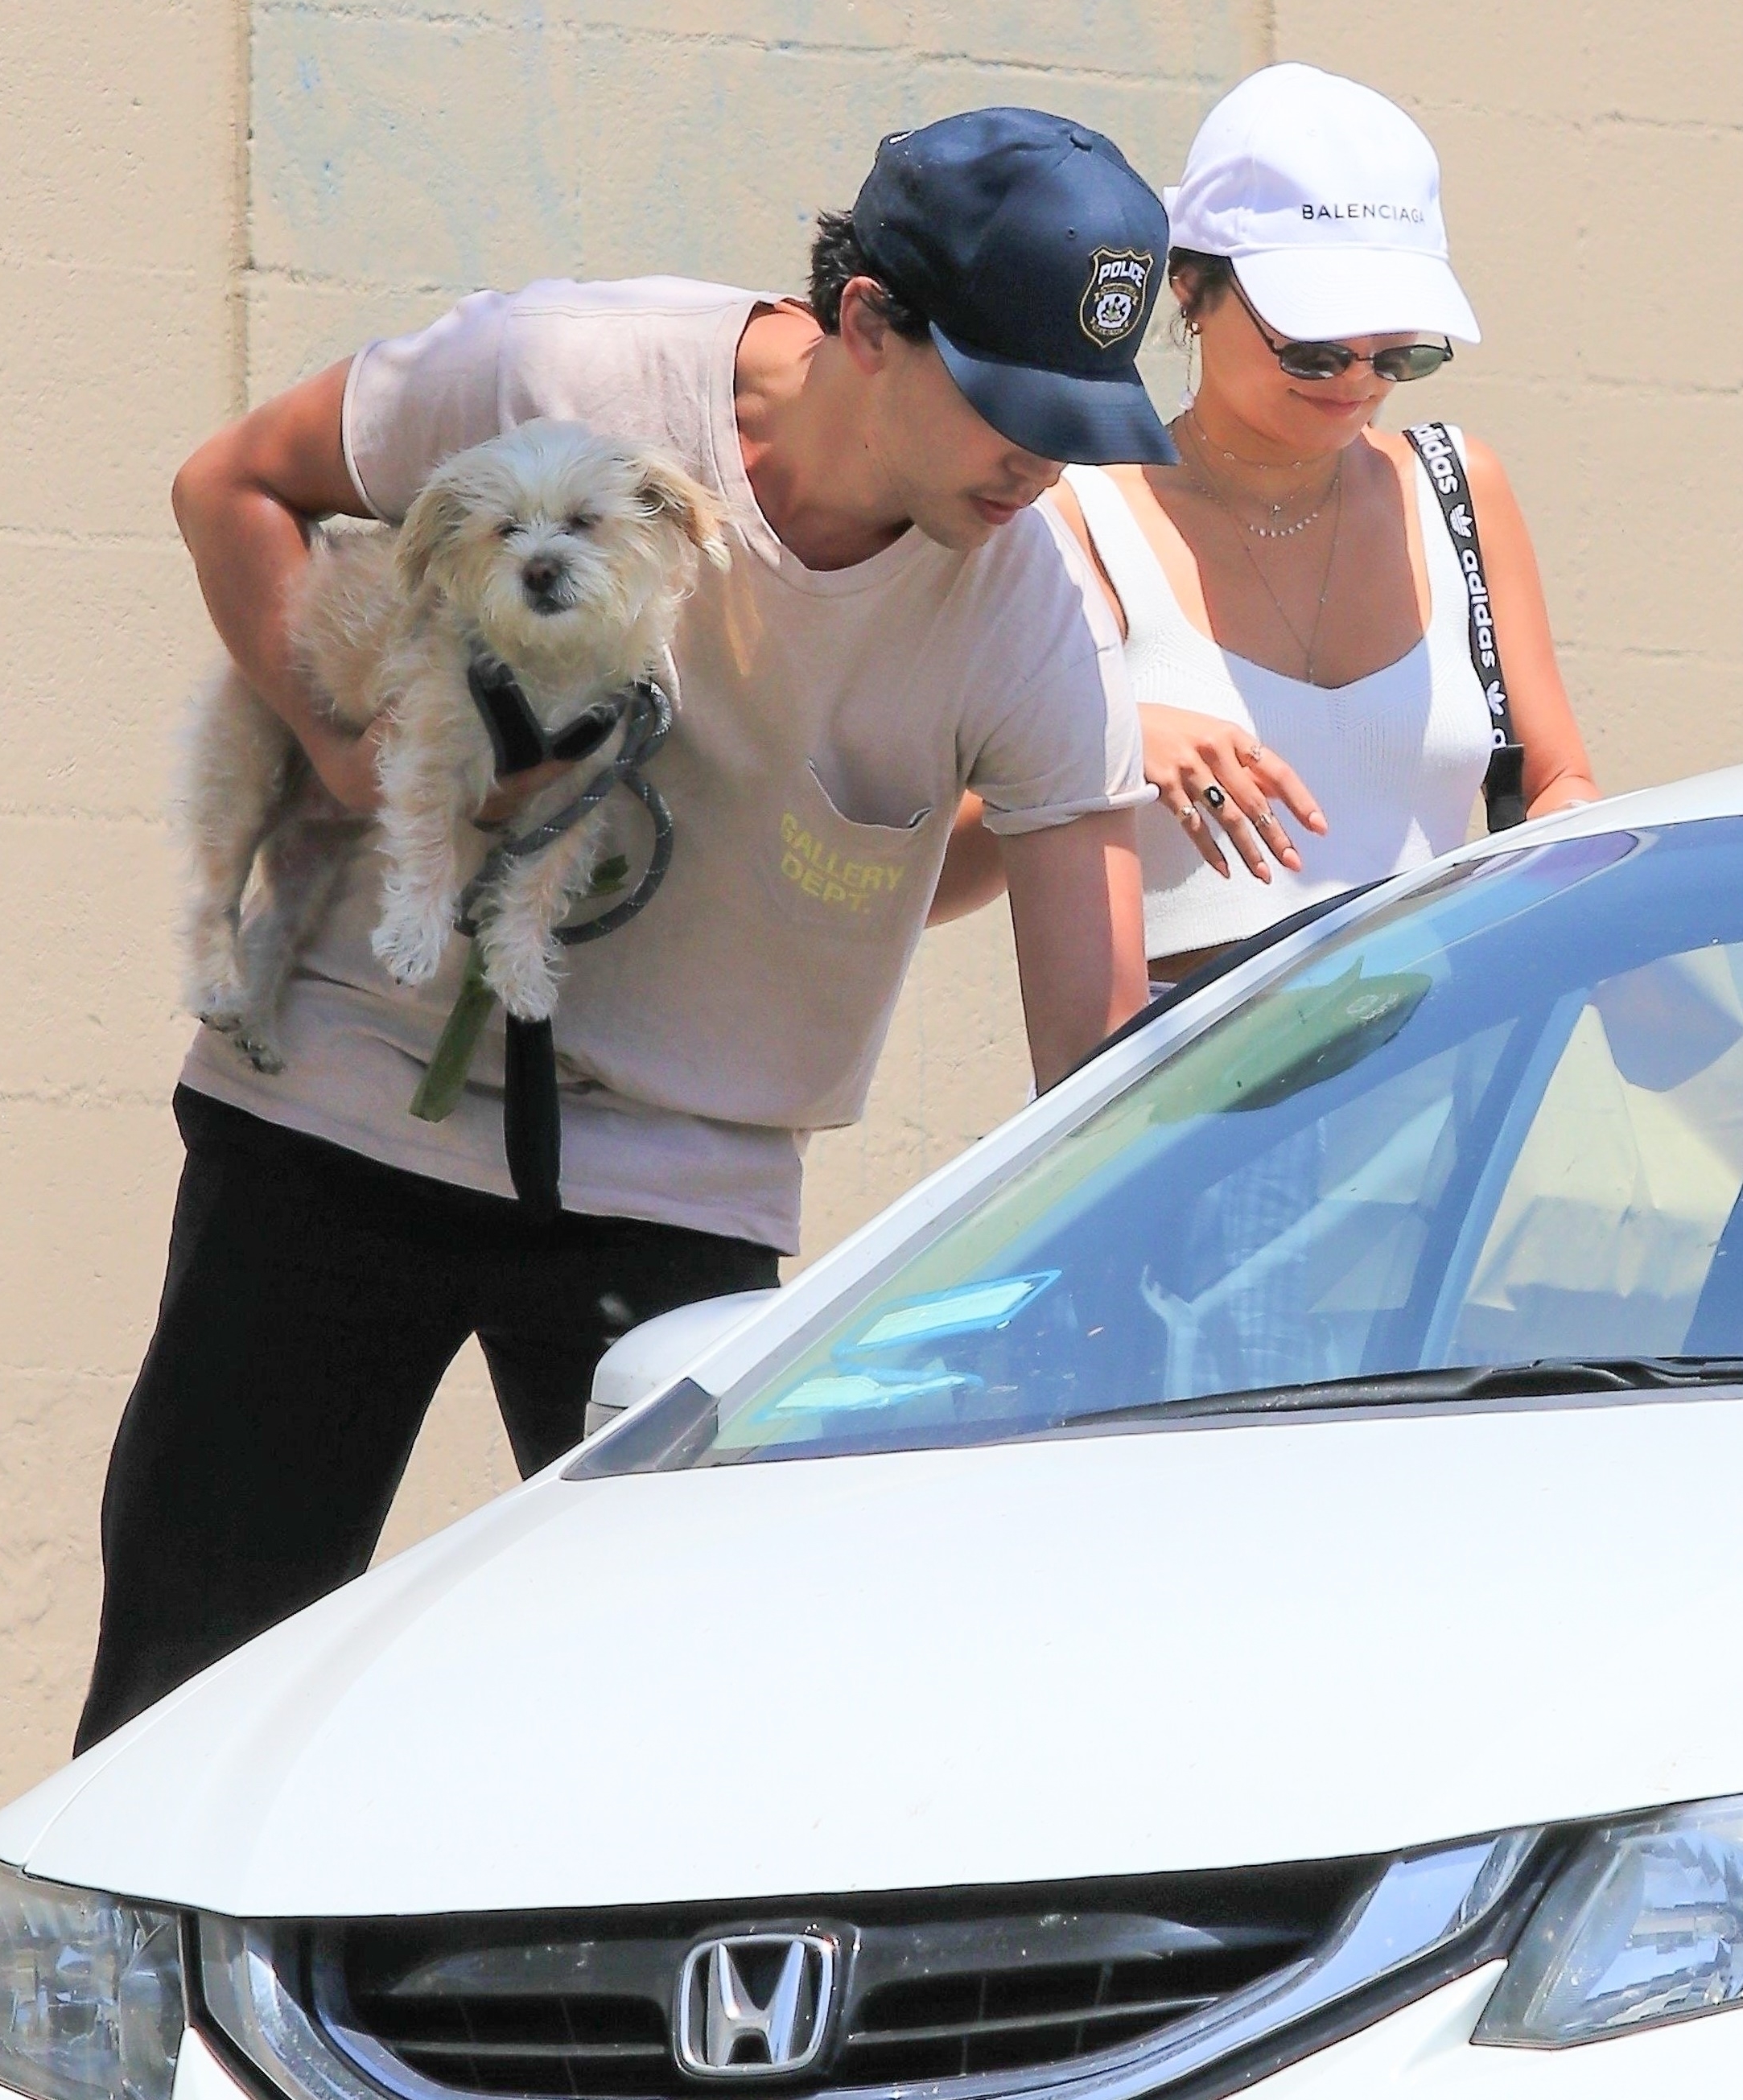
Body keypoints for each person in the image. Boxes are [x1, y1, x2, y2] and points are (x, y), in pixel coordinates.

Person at [76, 107, 1168, 1751]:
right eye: (1009, 404)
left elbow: (1093, 1052)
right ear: (870, 320)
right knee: (188, 1699)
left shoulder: (1030, 615)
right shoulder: (564, 374)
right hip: (340, 1104)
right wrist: (347, 751)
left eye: (1076, 421)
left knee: (683, 1744)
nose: (1040, 463)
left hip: (675, 1183)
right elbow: (227, 483)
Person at [932, 64, 1598, 991]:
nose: (1358, 379)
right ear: (1189, 288)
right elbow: (931, 877)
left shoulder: (1458, 490)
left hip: (1439, 1057)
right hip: (1193, 1068)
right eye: (1314, 346)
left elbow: (1555, 782)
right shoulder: (1077, 518)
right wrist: (1098, 740)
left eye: (1400, 351)